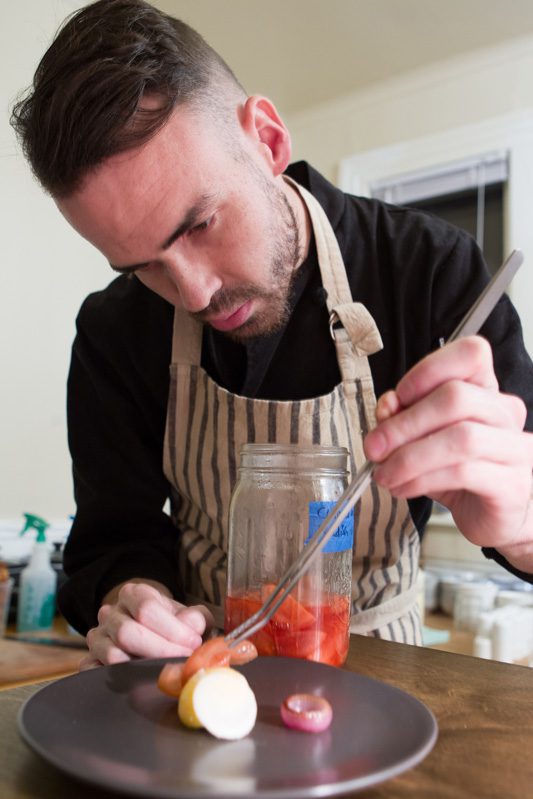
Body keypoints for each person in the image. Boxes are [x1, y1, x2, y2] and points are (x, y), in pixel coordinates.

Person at [11, 0, 533, 670]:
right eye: (143, 266)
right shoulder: (113, 329)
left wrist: (520, 522)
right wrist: (130, 597)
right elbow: (113, 540)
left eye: (199, 223)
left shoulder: (428, 270)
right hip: (204, 677)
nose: (193, 293)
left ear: (268, 140)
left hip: (391, 677)